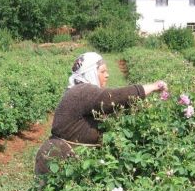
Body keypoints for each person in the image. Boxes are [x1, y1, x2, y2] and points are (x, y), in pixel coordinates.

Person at [34, 52, 167, 175]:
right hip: (58, 163)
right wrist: (153, 87)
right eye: (102, 71)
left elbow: (109, 109)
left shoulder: (78, 90)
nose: (107, 75)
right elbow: (112, 98)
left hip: (62, 160)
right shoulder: (82, 91)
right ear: (90, 73)